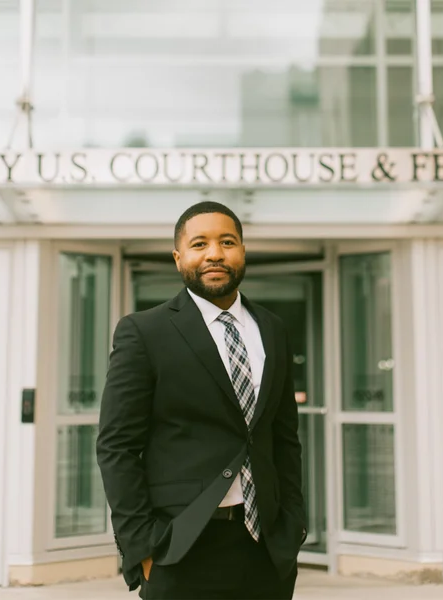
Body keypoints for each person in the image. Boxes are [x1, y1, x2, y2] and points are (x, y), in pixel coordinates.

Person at [96, 201, 307, 599]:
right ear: (179, 258)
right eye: (199, 244)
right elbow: (117, 447)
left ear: (242, 251)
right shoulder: (144, 333)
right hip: (180, 546)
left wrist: (293, 525)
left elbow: (285, 439)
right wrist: (143, 545)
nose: (214, 253)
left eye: (227, 242)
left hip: (266, 548)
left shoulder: (273, 330)